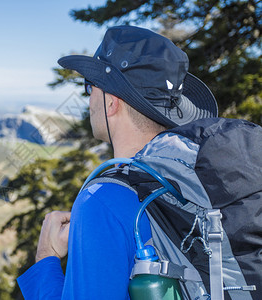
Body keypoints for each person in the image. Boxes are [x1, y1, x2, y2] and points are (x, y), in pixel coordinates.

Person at [17, 25, 218, 299]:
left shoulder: (104, 200)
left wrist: (46, 258)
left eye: (90, 88)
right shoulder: (204, 177)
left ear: (112, 102)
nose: (88, 100)